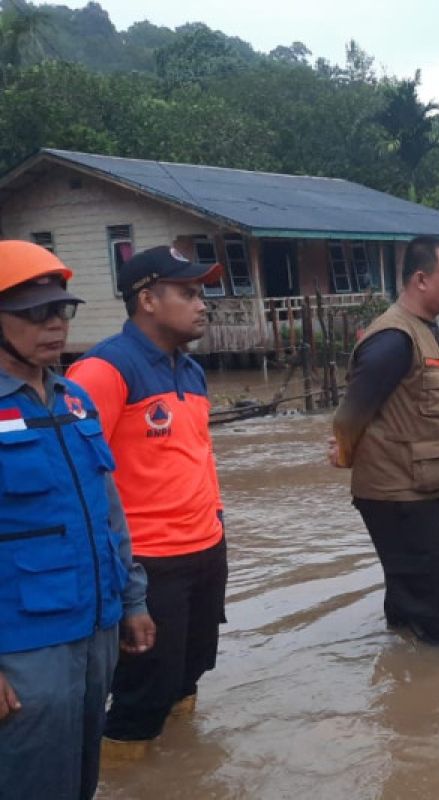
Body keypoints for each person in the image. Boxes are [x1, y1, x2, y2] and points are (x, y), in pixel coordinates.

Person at [0, 240, 153, 799]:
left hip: (95, 630)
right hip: (22, 646)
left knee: (81, 778)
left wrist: (133, 602)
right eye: (33, 313)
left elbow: (108, 514)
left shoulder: (74, 400)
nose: (54, 325)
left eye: (61, 310)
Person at [67, 245, 226, 757]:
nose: (203, 304)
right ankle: (127, 774)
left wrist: (217, 524)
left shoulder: (192, 371)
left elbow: (197, 459)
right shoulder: (103, 371)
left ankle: (184, 772)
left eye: (202, 293)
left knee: (191, 671)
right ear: (147, 300)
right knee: (142, 692)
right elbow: (80, 479)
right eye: (189, 293)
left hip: (205, 548)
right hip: (149, 563)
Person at [329, 236, 439, 645]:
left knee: (415, 600)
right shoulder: (393, 339)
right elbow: (350, 415)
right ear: (421, 280)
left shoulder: (427, 331)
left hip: (420, 487)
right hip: (399, 495)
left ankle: (405, 678)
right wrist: (344, 451)